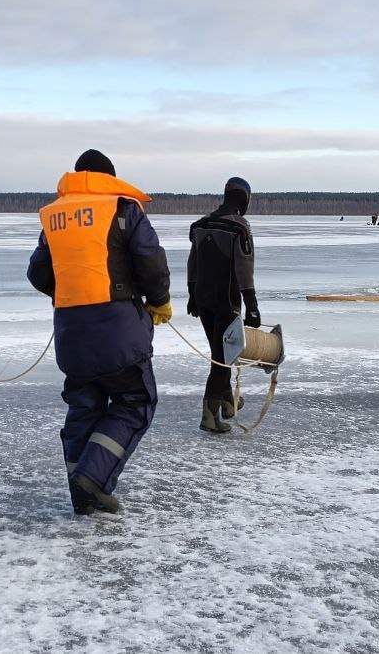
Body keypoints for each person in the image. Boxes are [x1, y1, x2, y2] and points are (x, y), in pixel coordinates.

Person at [26, 149, 172, 515]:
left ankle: (81, 487)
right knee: (135, 402)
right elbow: (151, 261)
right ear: (109, 178)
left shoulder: (54, 217)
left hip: (71, 335)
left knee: (84, 405)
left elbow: (38, 274)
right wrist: (159, 300)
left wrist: (73, 295)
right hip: (118, 332)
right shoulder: (123, 209)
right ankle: (91, 479)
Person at [186, 177, 259, 433]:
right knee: (222, 360)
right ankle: (209, 415)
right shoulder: (239, 227)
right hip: (226, 301)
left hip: (203, 300)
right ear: (244, 198)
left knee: (221, 353)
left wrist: (192, 294)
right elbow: (244, 269)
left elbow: (193, 261)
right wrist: (251, 305)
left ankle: (228, 403)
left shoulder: (202, 225)